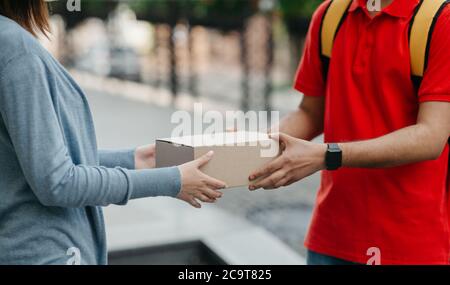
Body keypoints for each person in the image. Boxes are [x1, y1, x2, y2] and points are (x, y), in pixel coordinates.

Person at [0, 0, 226, 265]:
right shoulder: (16, 49)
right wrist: (170, 181)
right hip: (45, 254)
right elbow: (58, 182)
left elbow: (34, 162)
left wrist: (137, 160)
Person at [249, 0, 450, 265]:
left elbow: (431, 136)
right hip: (331, 239)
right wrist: (254, 145)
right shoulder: (330, 15)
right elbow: (310, 113)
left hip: (411, 246)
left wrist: (327, 155)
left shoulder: (440, 21)